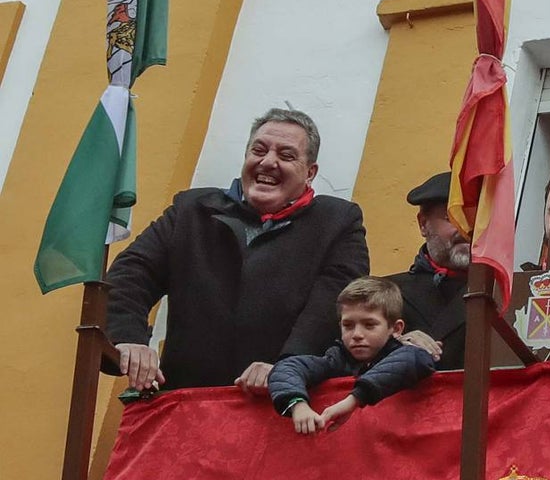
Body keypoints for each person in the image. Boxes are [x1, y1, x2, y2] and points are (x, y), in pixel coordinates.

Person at [105, 108, 369, 392]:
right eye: (259, 150)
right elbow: (131, 273)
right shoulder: (191, 210)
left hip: (284, 406)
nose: (268, 162)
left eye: (286, 155)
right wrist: (129, 338)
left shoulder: (339, 222)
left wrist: (288, 366)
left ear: (310, 173)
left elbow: (336, 302)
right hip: (186, 403)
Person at [268, 277, 436, 434]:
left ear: (396, 328)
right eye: (348, 325)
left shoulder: (407, 354)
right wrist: (298, 405)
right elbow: (287, 367)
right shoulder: (337, 358)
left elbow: (415, 357)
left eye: (369, 325)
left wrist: (353, 400)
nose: (357, 334)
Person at [386, 172, 470, 371]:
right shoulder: (386, 294)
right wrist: (393, 349)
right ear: (423, 224)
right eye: (452, 217)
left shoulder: (505, 295)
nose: (466, 229)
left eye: (475, 217)